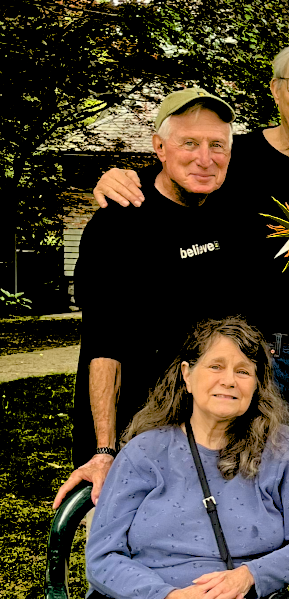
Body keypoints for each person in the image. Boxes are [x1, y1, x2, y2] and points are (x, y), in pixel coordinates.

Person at [89, 39, 289, 599]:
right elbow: (180, 170)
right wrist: (114, 177)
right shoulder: (239, 157)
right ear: (274, 91)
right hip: (271, 359)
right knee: (261, 491)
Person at [55, 87, 239, 510]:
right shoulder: (118, 225)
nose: (204, 157)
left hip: (211, 433)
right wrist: (104, 451)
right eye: (188, 143)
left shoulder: (233, 211)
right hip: (135, 436)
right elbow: (103, 343)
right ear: (159, 147)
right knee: (128, 565)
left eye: (217, 145)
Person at [86, 317, 289, 599]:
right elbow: (103, 557)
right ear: (187, 375)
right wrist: (167, 596)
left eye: (243, 371)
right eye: (215, 366)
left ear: (257, 384)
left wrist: (250, 576)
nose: (229, 381)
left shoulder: (280, 448)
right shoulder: (144, 452)